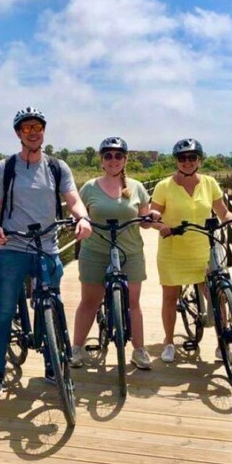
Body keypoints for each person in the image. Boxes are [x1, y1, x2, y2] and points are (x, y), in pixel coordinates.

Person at [0, 106, 92, 398]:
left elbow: (73, 200)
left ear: (44, 131)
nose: (33, 132)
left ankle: (52, 363)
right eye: (27, 128)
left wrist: (82, 217)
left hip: (47, 247)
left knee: (52, 304)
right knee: (5, 310)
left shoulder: (57, 167)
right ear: (19, 133)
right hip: (14, 247)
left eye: (38, 127)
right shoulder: (4, 168)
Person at [150, 138, 232, 363]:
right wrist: (161, 225)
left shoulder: (209, 183)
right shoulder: (164, 186)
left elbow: (223, 213)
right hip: (173, 248)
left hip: (203, 247)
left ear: (200, 160)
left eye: (192, 157)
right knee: (170, 297)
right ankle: (168, 342)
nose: (187, 162)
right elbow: (153, 214)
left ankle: (223, 344)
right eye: (182, 158)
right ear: (176, 161)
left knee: (217, 295)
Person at [71, 137, 159, 370]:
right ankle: (76, 348)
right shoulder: (89, 187)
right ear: (101, 160)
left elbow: (145, 222)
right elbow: (78, 213)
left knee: (133, 303)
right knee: (89, 302)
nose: (113, 160)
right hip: (95, 251)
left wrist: (151, 218)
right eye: (108, 155)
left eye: (118, 155)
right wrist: (79, 221)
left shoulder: (137, 187)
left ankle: (139, 350)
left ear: (125, 159)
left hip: (129, 252)